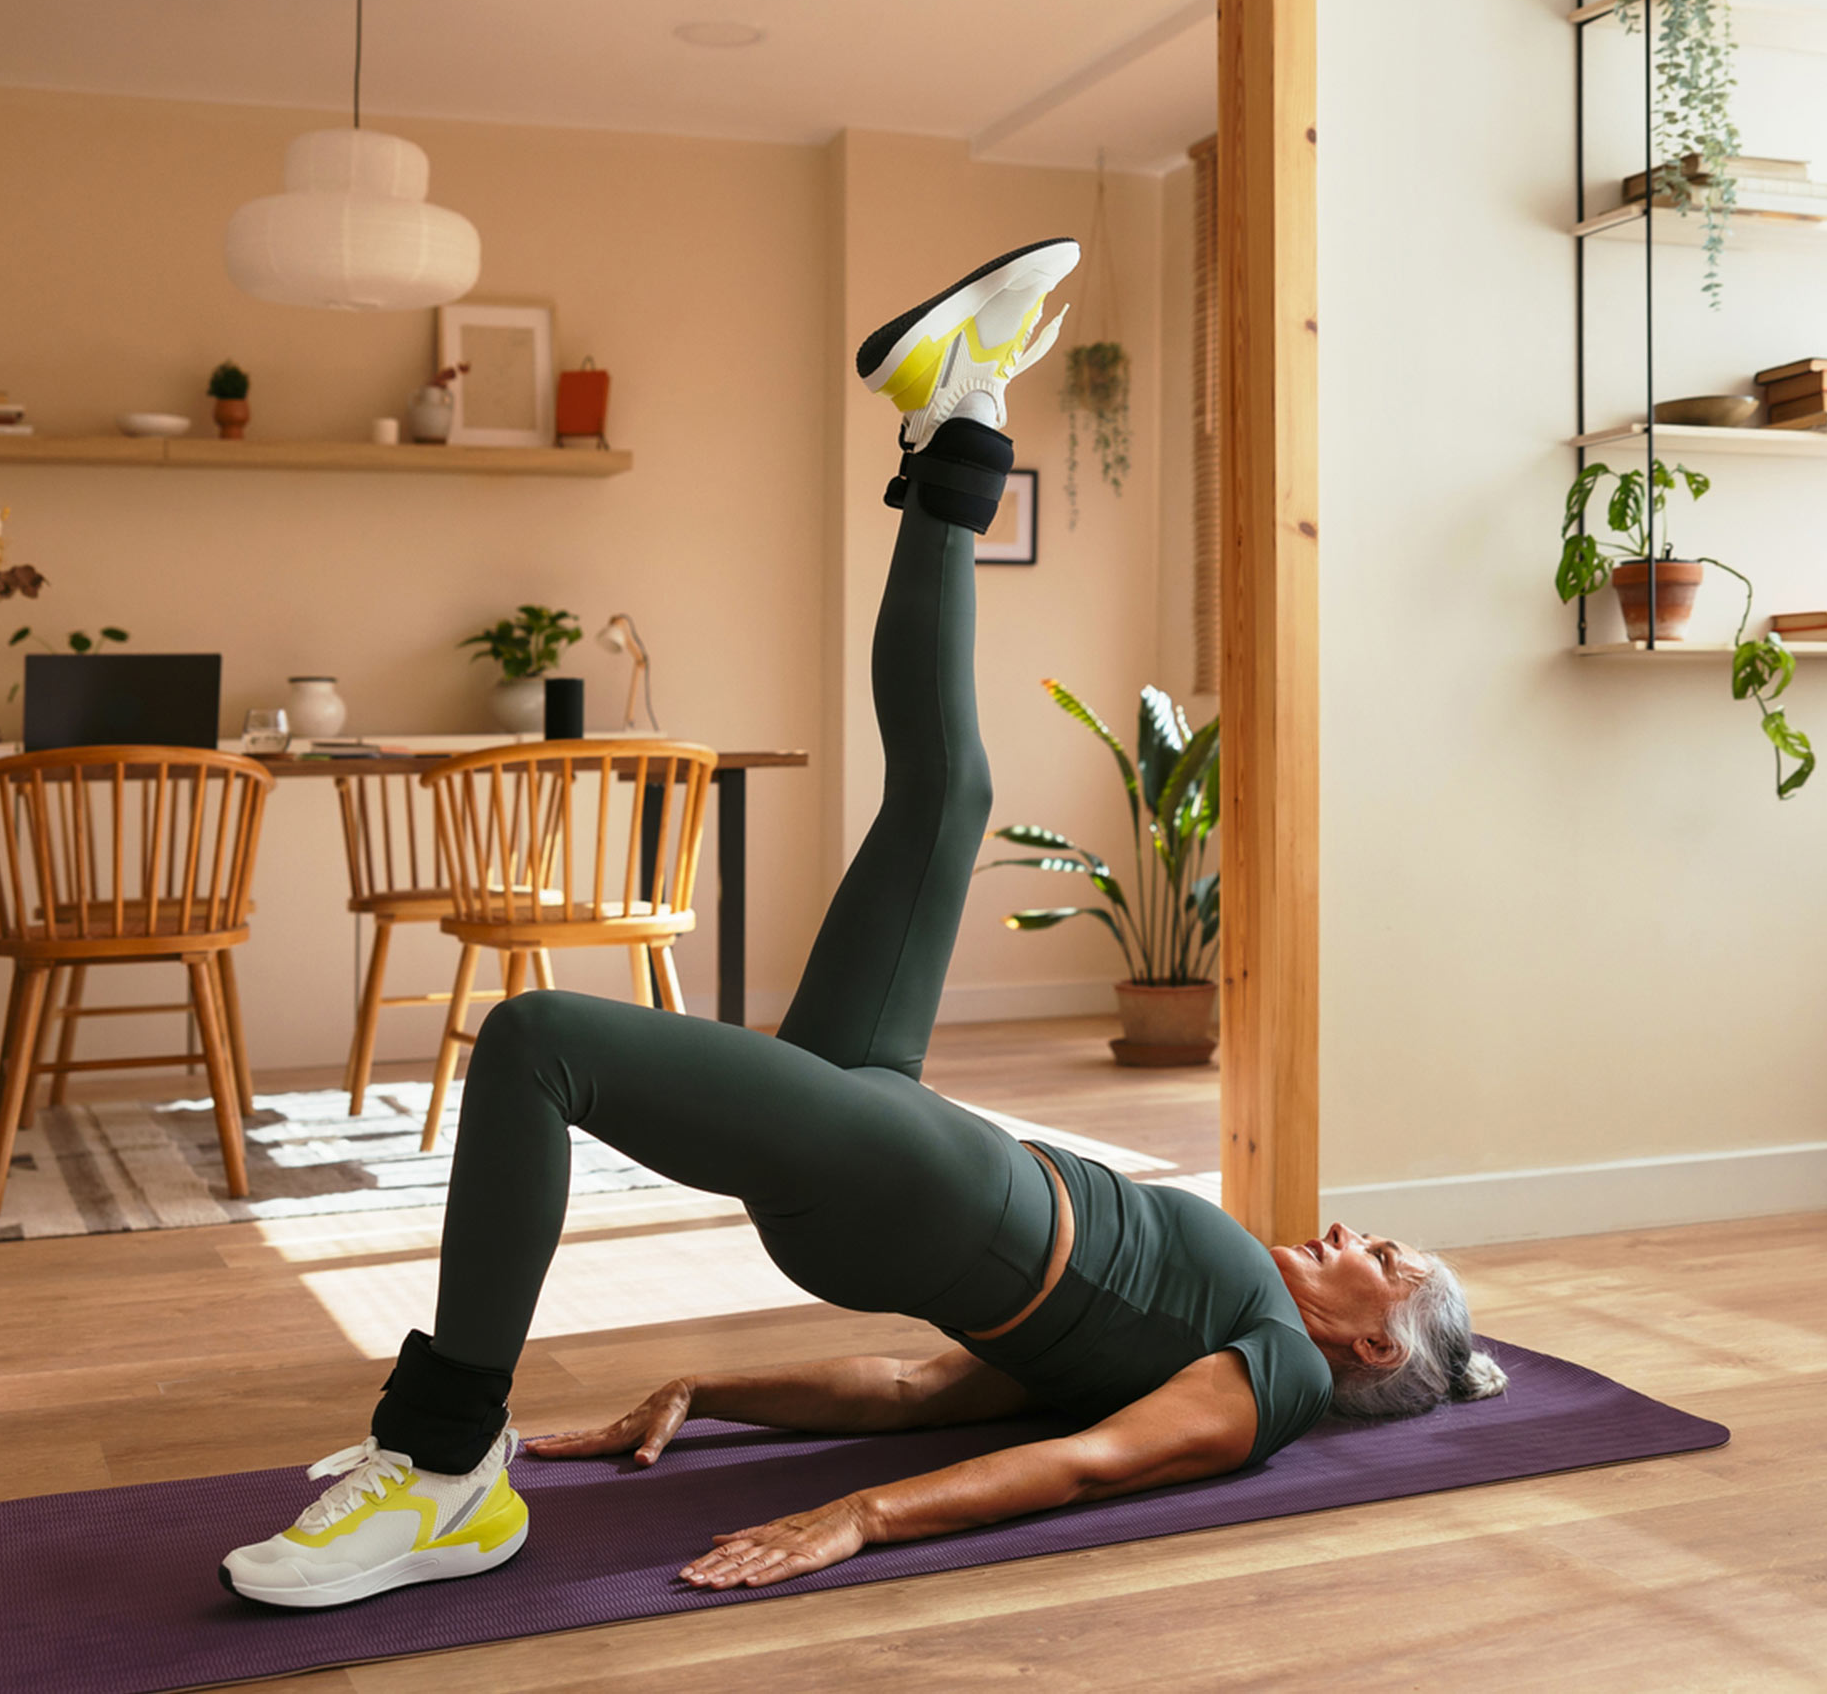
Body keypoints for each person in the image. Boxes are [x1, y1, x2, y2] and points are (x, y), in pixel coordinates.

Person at [220, 240, 1506, 1610]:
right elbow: (916, 1384)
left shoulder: (1279, 1376)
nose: (1364, 1234)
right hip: (903, 1160)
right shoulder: (1219, 1309)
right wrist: (706, 1389)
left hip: (924, 1183)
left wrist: (862, 1521)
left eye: (1391, 1263)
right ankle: (958, 423)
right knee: (948, 792)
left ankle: (443, 1461)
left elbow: (1088, 1463)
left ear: (1375, 1348)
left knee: (539, 1041)